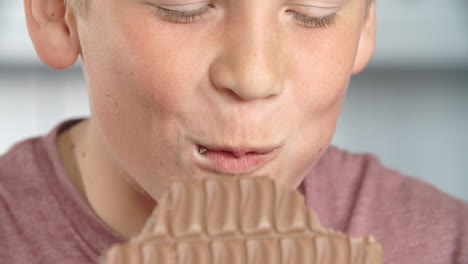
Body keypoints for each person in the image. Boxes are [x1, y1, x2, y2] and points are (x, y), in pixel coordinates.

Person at [0, 0, 466, 263]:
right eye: (184, 5)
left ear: (366, 20)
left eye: (311, 8)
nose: (253, 76)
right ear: (56, 11)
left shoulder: (448, 247)